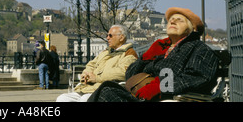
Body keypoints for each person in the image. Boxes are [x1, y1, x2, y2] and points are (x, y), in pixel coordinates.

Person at [88, 7, 219, 102]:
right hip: (143, 95)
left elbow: (197, 77)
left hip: (169, 97)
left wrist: (160, 86)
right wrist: (145, 57)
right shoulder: (162, 49)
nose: (172, 22)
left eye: (179, 20)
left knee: (106, 93)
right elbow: (130, 75)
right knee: (106, 89)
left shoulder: (199, 48)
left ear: (192, 29)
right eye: (170, 20)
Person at [57, 24, 137, 102]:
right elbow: (91, 64)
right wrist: (86, 74)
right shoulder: (105, 52)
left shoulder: (129, 53)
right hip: (89, 87)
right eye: (107, 35)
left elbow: (122, 72)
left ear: (121, 37)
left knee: (85, 99)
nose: (107, 38)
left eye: (110, 35)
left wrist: (96, 77)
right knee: (63, 98)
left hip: (105, 90)